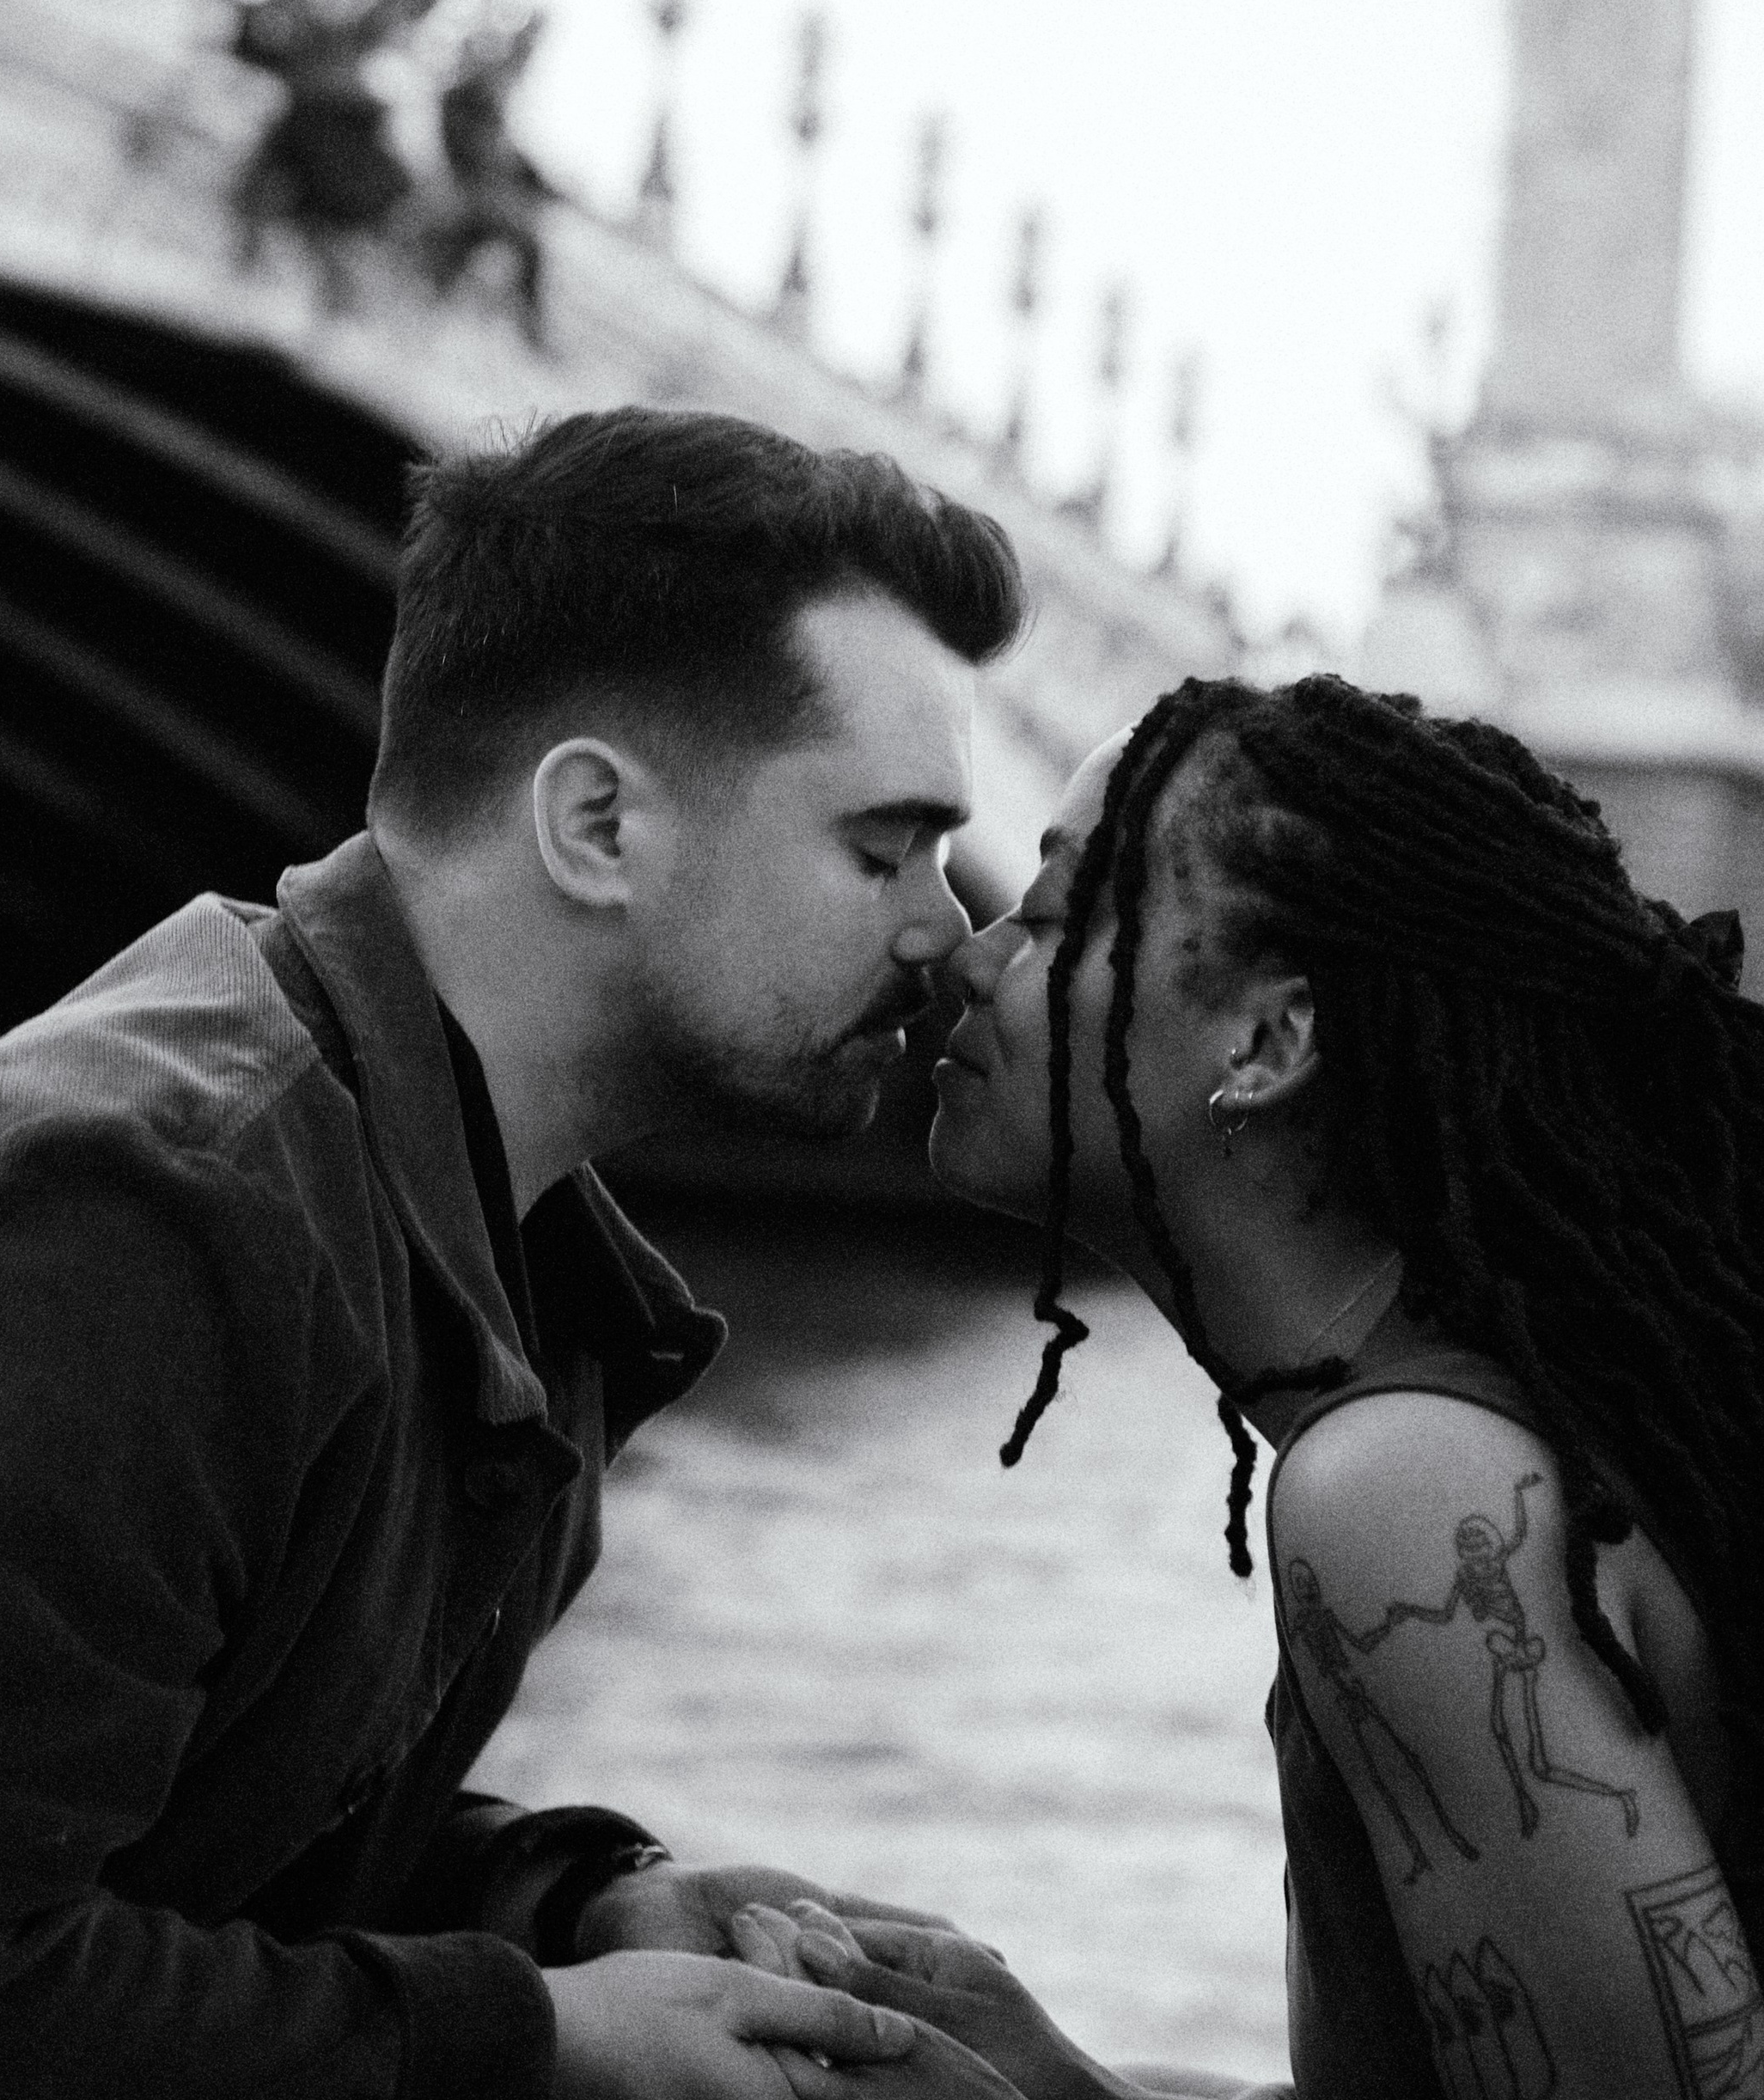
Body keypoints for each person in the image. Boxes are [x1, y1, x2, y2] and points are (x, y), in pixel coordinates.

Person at [0, 406, 1026, 2100]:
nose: (946, 924)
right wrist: (535, 2038)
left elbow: (182, 1816)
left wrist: (580, 1904)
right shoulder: (122, 1210)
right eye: (880, 845)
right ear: (597, 827)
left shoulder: (474, 1236)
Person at [742, 673, 1763, 2099]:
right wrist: (1066, 2086)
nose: (967, 959)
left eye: (1050, 922)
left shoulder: (1404, 1491)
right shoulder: (1481, 1428)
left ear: (1269, 1044)